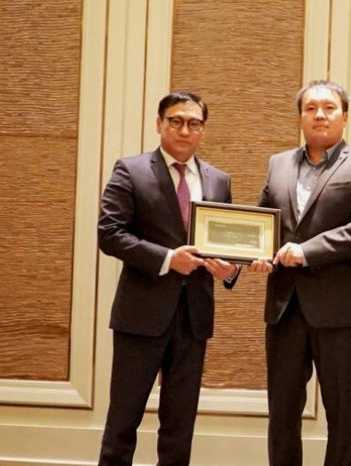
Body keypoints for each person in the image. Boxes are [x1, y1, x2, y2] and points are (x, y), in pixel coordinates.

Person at [249, 80, 351, 466]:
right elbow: (264, 223)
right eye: (310, 108)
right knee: (281, 414)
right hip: (284, 308)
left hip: (342, 311)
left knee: (342, 415)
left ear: (345, 116)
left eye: (329, 107)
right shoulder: (278, 163)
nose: (320, 115)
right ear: (300, 117)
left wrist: (305, 252)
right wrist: (256, 254)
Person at [97, 91, 239, 465]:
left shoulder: (219, 180)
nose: (184, 130)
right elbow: (109, 234)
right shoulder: (131, 170)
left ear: (203, 130)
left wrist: (231, 269)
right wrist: (167, 259)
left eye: (194, 123)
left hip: (194, 318)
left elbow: (226, 243)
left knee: (179, 427)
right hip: (140, 315)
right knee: (122, 422)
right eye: (176, 121)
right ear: (159, 124)